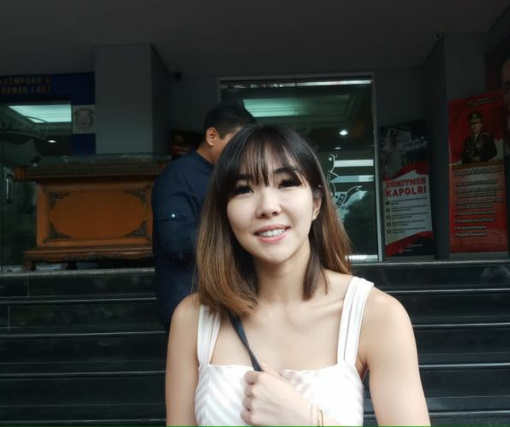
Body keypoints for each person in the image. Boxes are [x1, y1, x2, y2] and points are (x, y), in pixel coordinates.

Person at [165, 125, 430, 425]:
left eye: (286, 183)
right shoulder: (193, 318)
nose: (267, 207)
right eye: (244, 189)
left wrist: (306, 419)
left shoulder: (377, 315)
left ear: (316, 202)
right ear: (225, 211)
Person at [152, 103, 255, 332]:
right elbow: (176, 242)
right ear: (212, 136)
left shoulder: (230, 175)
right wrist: (239, 230)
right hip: (190, 302)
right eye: (236, 145)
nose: (242, 154)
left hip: (230, 299)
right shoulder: (178, 176)